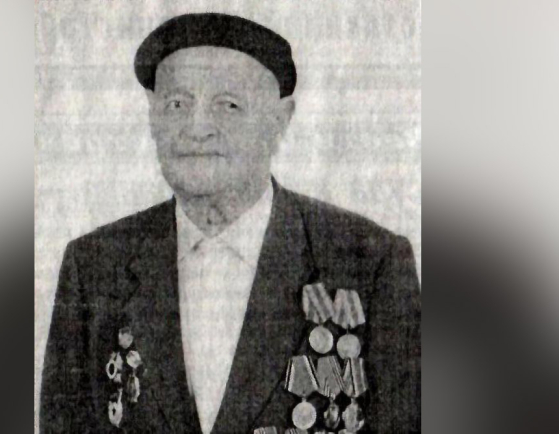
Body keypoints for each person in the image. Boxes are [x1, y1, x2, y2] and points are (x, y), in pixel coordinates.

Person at [39, 13, 420, 434]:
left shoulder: (369, 263)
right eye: (177, 104)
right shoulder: (94, 266)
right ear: (152, 119)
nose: (198, 128)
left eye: (228, 105)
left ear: (279, 121)